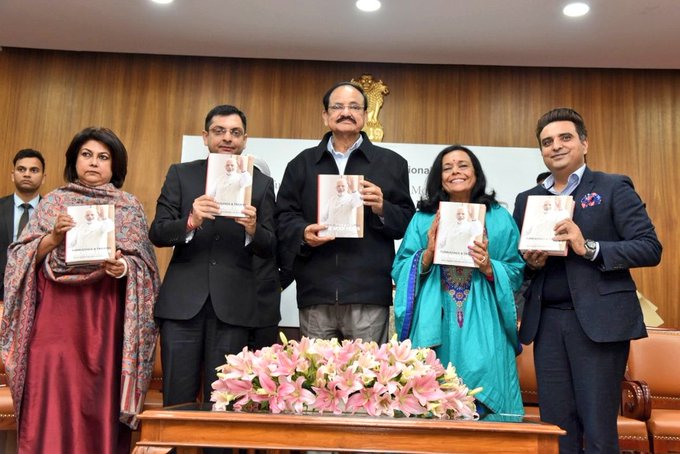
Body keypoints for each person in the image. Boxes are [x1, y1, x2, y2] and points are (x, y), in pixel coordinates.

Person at [0, 127, 159, 453]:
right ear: (75, 160)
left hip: (104, 317)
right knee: (50, 387)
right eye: (87, 155)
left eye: (103, 157)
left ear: (115, 166)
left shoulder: (128, 207)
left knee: (97, 392)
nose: (94, 163)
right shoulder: (54, 203)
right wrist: (54, 237)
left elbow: (145, 268)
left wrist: (124, 267)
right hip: (56, 316)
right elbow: (19, 257)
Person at [513, 108, 662, 453]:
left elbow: (649, 248)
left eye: (565, 138)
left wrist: (588, 246)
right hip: (547, 322)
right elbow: (523, 267)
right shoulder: (527, 200)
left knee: (597, 425)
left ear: (584, 143)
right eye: (547, 142)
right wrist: (532, 264)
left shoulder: (612, 187)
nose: (556, 146)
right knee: (556, 425)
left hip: (599, 323)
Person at [149, 104, 280, 408]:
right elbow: (157, 233)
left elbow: (270, 244)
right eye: (219, 131)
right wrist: (190, 221)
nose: (227, 138)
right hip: (182, 306)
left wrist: (252, 229)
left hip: (233, 309)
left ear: (244, 140)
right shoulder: (181, 174)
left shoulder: (260, 184)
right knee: (176, 402)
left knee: (223, 402)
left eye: (235, 133)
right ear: (205, 136)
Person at [275, 81, 415, 344]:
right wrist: (303, 232)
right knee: (316, 380)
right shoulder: (301, 164)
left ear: (364, 115)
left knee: (368, 382)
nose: (346, 112)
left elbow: (407, 221)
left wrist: (382, 208)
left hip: (368, 293)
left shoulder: (392, 163)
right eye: (337, 107)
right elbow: (282, 217)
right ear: (326, 116)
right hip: (316, 291)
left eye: (354, 107)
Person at [392, 145, 524, 419]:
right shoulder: (423, 219)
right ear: (439, 178)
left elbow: (515, 271)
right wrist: (427, 253)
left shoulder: (499, 218)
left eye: (463, 165)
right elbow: (400, 268)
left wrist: (489, 266)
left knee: (486, 395)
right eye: (447, 167)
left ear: (476, 172)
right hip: (435, 320)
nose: (455, 171)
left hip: (486, 323)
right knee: (433, 399)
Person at [0, 149, 46, 301]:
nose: (27, 174)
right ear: (13, 175)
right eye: (21, 169)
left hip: (38, 293)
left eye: (34, 170)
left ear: (43, 178)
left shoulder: (51, 211)